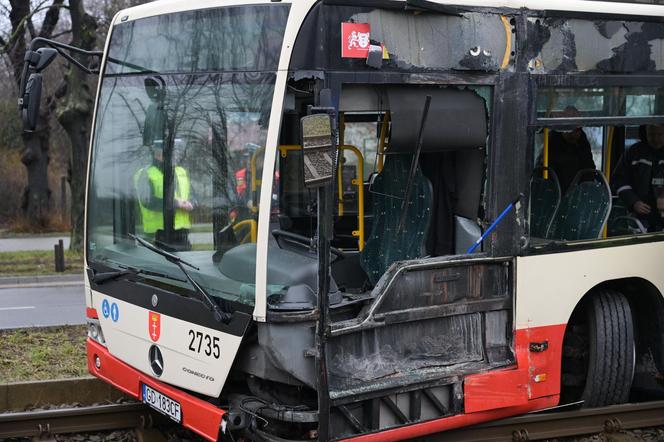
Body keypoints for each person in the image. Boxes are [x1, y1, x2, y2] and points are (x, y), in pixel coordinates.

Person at [134, 143, 194, 250]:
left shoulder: (181, 172)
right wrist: (176, 203)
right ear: (157, 155)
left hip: (181, 233)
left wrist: (192, 203)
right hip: (156, 234)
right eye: (171, 153)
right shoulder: (145, 174)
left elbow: (193, 195)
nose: (175, 156)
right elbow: (147, 200)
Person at [612, 124, 664, 231]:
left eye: (660, 134)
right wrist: (633, 202)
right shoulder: (633, 152)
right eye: (651, 134)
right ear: (645, 133)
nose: (656, 139)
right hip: (639, 217)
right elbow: (619, 180)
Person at [537, 106, 596, 194]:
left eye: (577, 129)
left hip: (578, 195)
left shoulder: (582, 144)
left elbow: (589, 170)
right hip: (555, 196)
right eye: (569, 129)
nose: (574, 134)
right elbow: (545, 174)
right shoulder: (552, 145)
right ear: (562, 128)